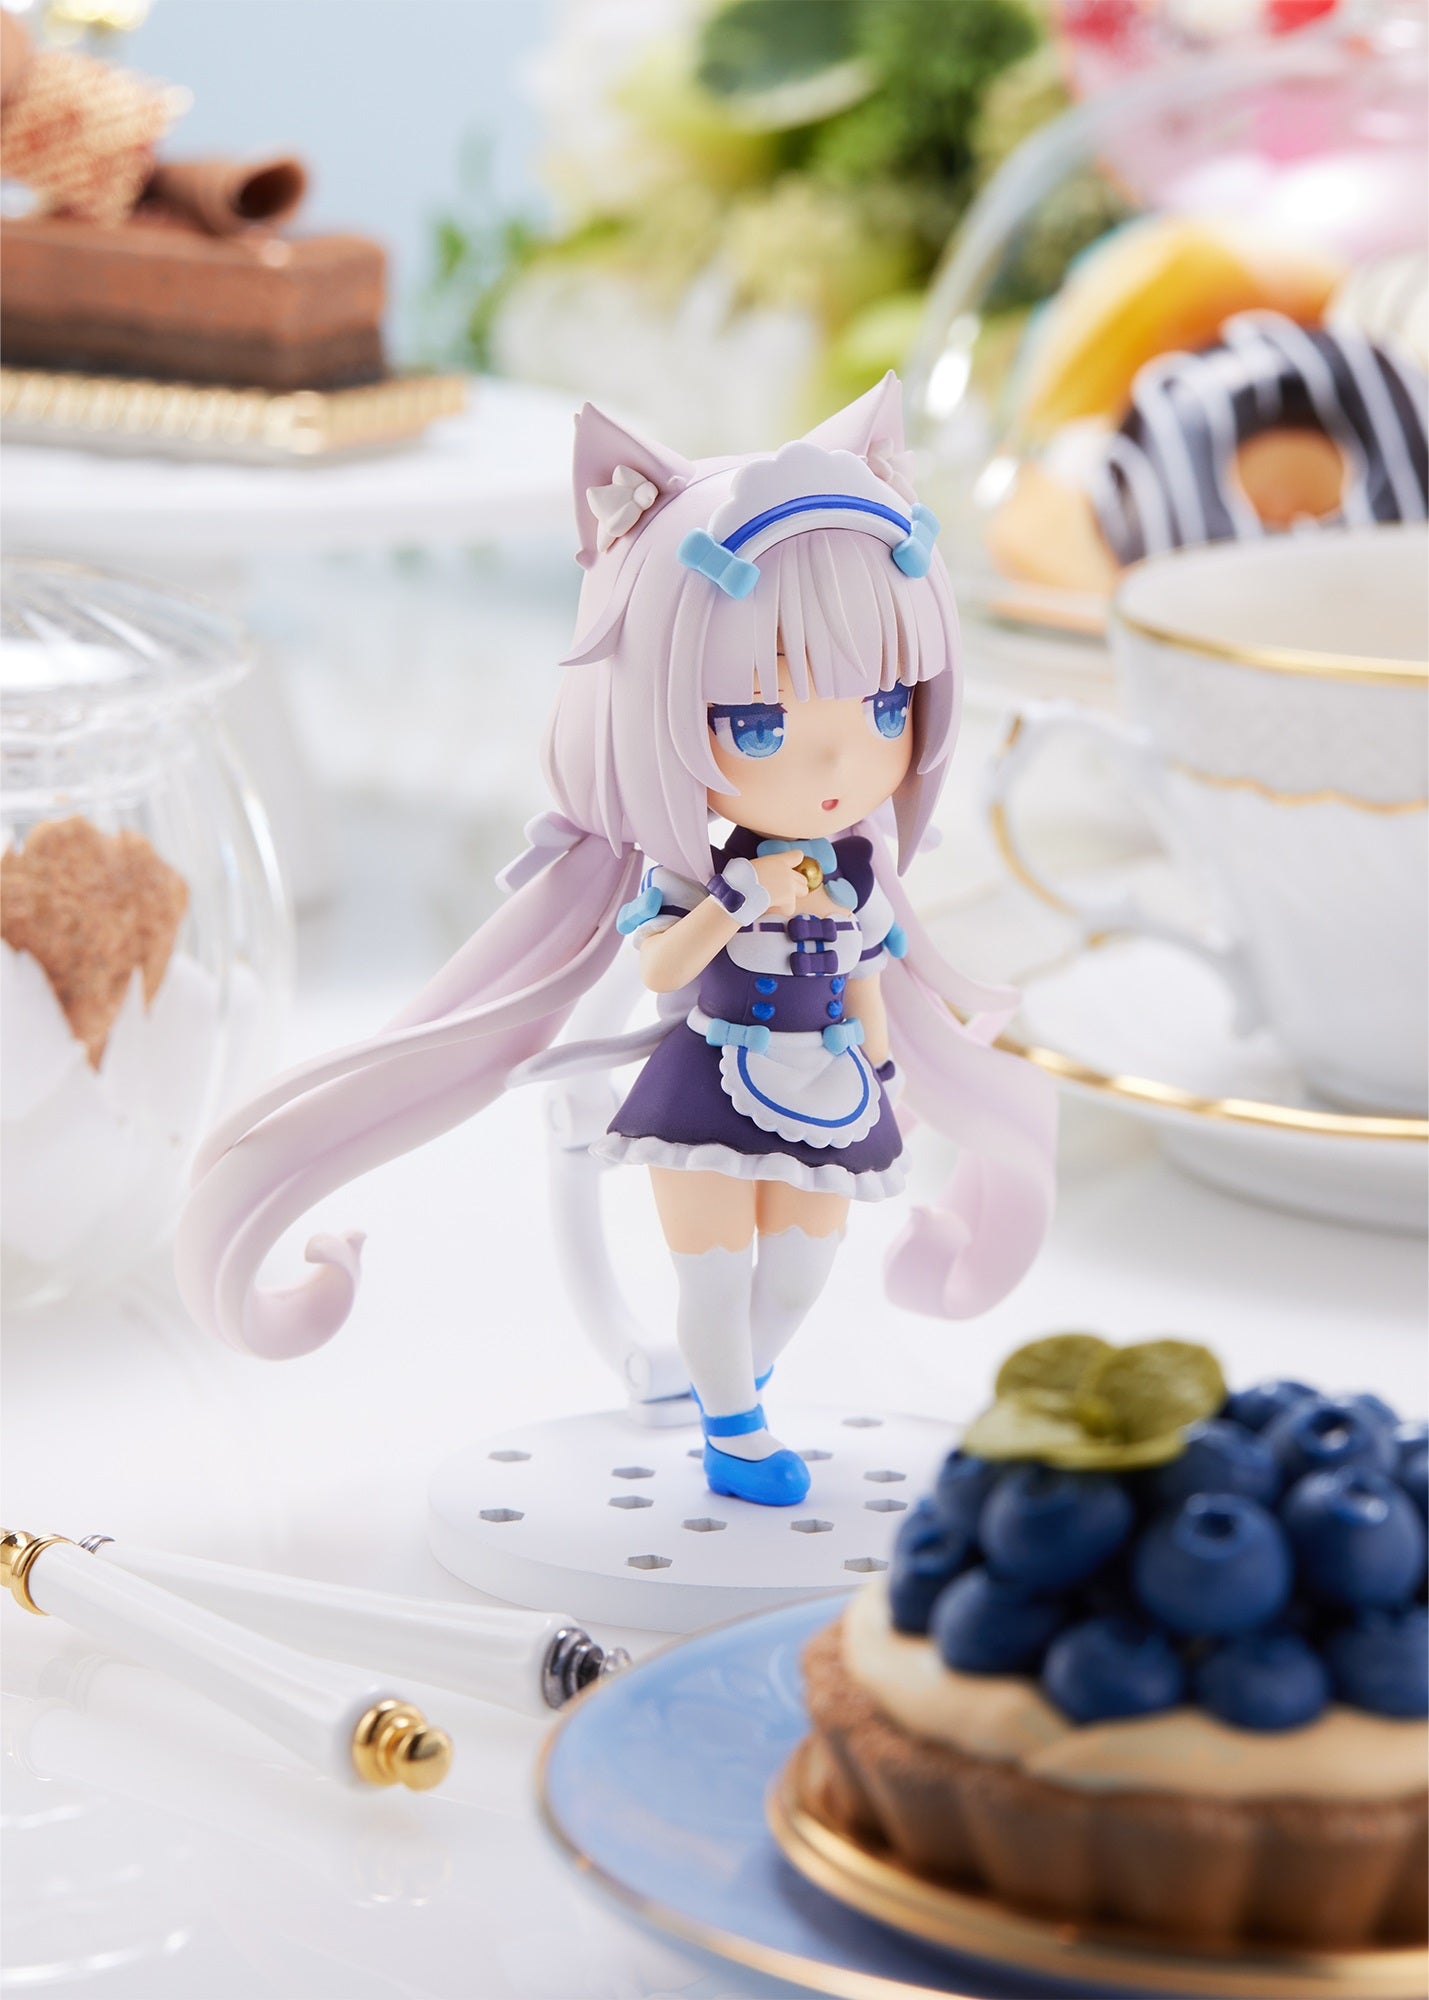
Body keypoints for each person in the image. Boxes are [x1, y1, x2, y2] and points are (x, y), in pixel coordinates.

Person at [177, 373, 1057, 1506]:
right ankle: (735, 1429)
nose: (839, 759)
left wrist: (885, 1066)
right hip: (711, 1081)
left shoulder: (855, 877)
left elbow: (872, 980)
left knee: (800, 1273)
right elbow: (660, 966)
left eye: (886, 709)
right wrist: (735, 904)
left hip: (833, 1083)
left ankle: (732, 1392)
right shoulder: (699, 876)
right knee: (716, 1274)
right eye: (760, 722)